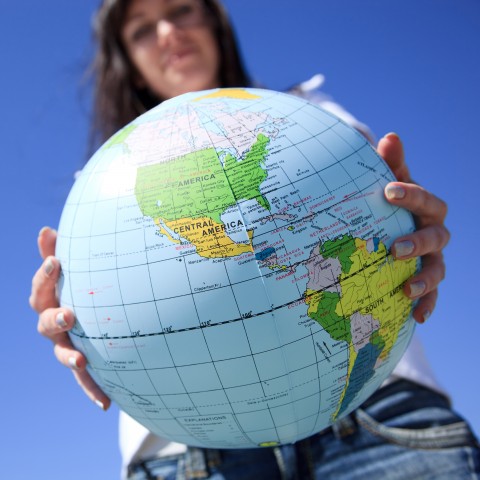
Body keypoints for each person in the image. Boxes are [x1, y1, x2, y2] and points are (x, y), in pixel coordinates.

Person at [30, 0, 479, 479]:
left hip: (376, 414)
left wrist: (415, 237)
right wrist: (74, 327)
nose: (167, 32)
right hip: (187, 455)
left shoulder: (313, 117)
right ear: (131, 66)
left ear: (215, 27)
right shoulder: (101, 187)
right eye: (141, 29)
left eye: (182, 10)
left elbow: (389, 222)